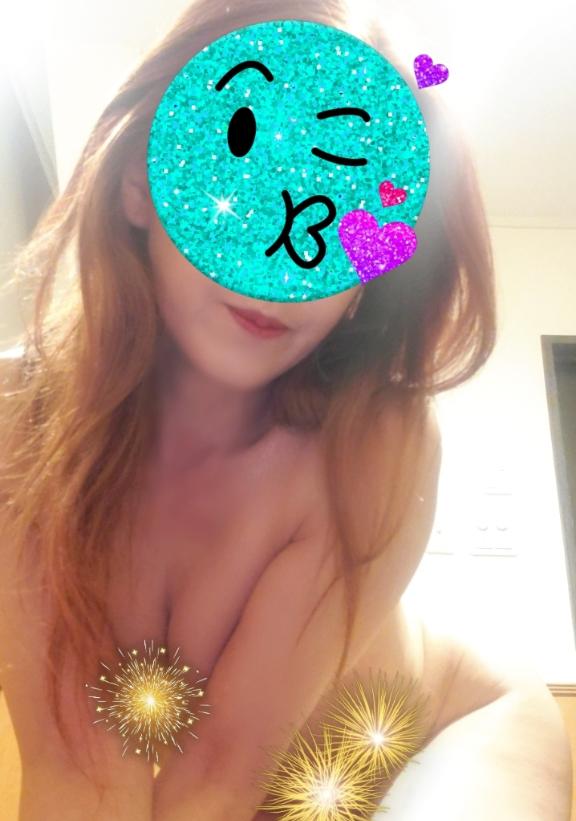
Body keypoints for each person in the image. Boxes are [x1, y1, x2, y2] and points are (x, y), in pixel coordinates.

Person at [0, 0, 570, 819]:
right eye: (245, 164)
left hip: (444, 726)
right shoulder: (18, 423)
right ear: (139, 184)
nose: (290, 245)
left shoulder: (375, 438)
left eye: (345, 208)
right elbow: (82, 773)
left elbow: (219, 776)